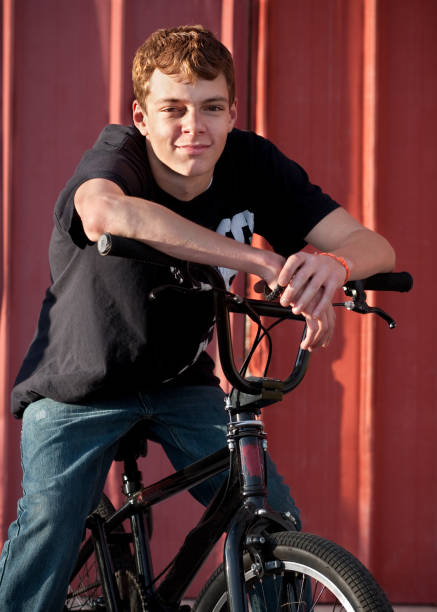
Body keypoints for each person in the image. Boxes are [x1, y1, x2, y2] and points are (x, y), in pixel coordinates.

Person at [0, 25, 395, 611]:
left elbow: (374, 247)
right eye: (173, 109)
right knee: (50, 524)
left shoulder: (252, 163)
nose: (195, 127)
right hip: (77, 387)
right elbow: (105, 211)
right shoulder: (117, 157)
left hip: (180, 382)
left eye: (211, 107)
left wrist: (334, 265)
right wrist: (263, 257)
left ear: (232, 112)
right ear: (141, 115)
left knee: (274, 519)